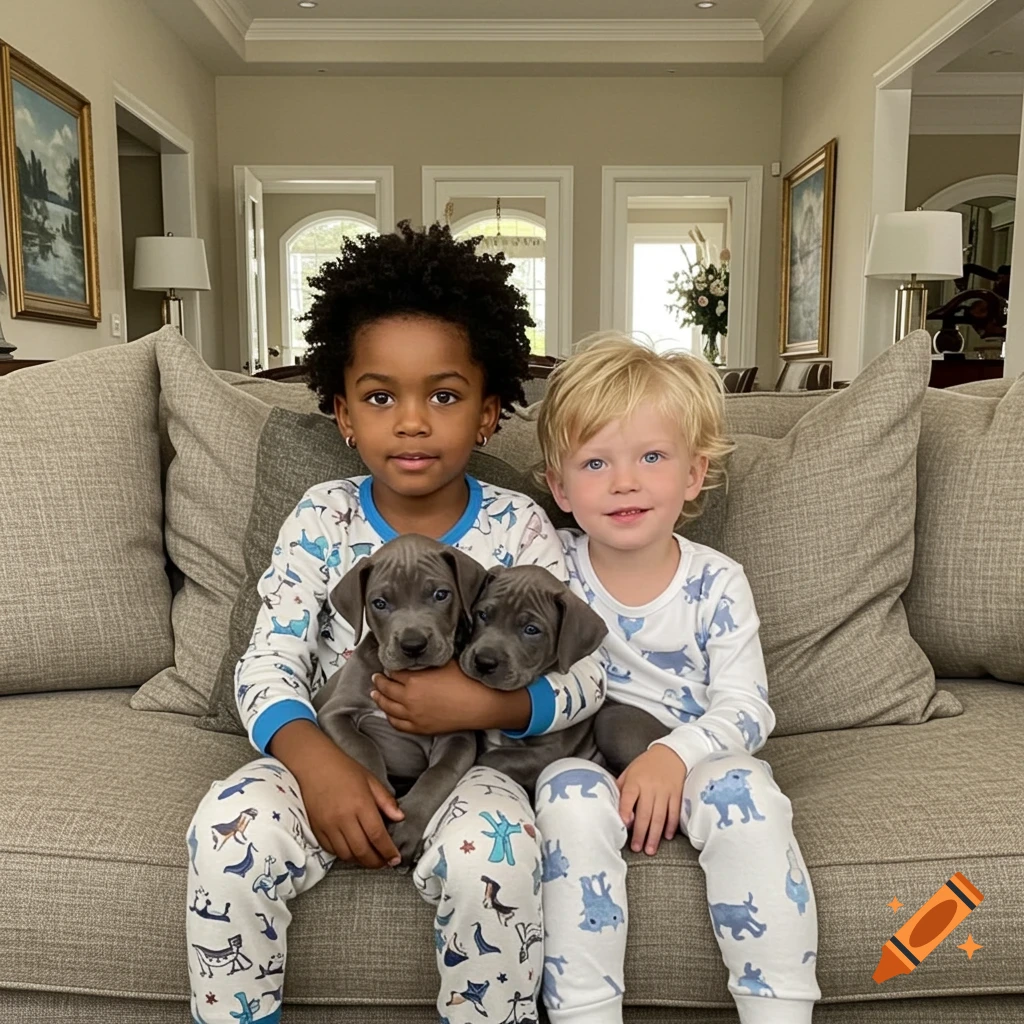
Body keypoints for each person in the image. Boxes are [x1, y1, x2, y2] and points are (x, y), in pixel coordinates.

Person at [185, 221, 607, 1024]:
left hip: (475, 766)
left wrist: (488, 703)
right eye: (381, 397)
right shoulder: (322, 517)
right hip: (333, 745)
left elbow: (590, 674)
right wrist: (315, 762)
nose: (412, 421)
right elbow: (265, 664)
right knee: (225, 835)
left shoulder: (518, 526)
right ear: (343, 413)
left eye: (444, 396)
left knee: (500, 860)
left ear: (488, 413)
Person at [534, 334, 822, 1024]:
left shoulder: (716, 581)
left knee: (750, 796)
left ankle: (779, 1014)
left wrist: (673, 754)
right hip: (584, 757)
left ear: (694, 474)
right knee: (564, 798)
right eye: (595, 462)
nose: (624, 482)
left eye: (652, 457)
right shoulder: (548, 569)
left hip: (694, 759)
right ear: (559, 488)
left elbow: (747, 707)